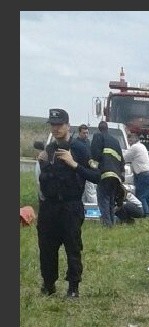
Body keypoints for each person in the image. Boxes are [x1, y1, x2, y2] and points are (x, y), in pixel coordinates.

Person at [37, 108, 97, 298]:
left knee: (72, 248)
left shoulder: (79, 148)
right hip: (49, 207)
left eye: (59, 125)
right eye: (53, 125)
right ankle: (48, 284)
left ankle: (73, 288)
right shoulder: (50, 149)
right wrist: (42, 163)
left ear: (68, 126)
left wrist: (75, 164)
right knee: (46, 248)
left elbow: (96, 176)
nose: (55, 129)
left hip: (70, 207)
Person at [91, 121, 126, 227]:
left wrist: (93, 168)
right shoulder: (115, 141)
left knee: (103, 199)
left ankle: (107, 224)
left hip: (105, 173)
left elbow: (95, 154)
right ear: (108, 129)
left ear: (99, 129)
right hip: (116, 175)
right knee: (111, 200)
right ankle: (112, 223)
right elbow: (121, 160)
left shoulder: (98, 136)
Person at [123, 131, 149, 217]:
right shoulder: (142, 146)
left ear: (134, 139)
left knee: (141, 196)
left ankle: (145, 213)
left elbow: (125, 158)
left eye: (129, 140)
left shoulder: (134, 147)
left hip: (143, 174)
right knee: (148, 195)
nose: (129, 142)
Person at [75, 124, 98, 208]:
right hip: (80, 171)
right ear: (79, 133)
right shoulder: (76, 144)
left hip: (89, 171)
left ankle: (95, 210)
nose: (86, 135)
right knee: (83, 193)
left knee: (91, 192)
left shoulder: (88, 142)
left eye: (87, 133)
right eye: (84, 133)